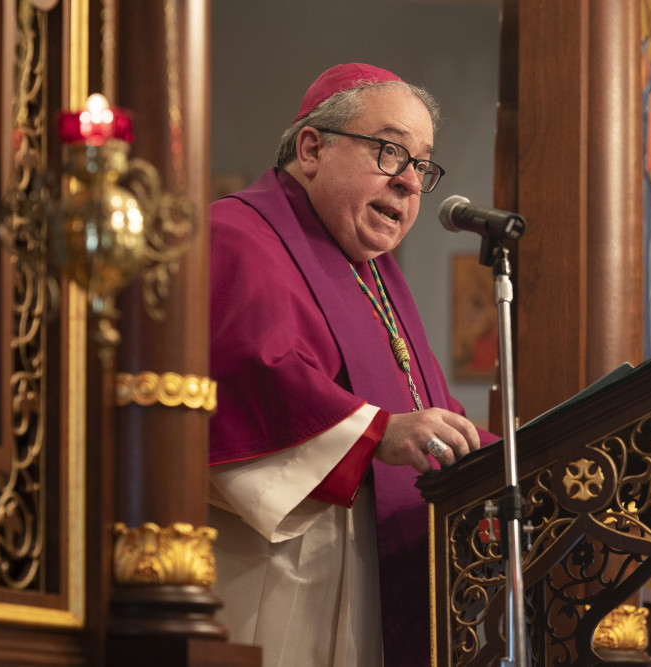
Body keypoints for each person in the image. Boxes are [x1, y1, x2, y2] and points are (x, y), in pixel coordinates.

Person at [207, 63, 498, 667]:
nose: (412, 184)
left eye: (422, 166)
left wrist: (522, 455)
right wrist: (376, 434)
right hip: (281, 581)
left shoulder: (377, 281)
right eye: (392, 153)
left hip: (369, 589)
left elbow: (437, 423)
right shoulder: (236, 234)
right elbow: (243, 380)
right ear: (312, 149)